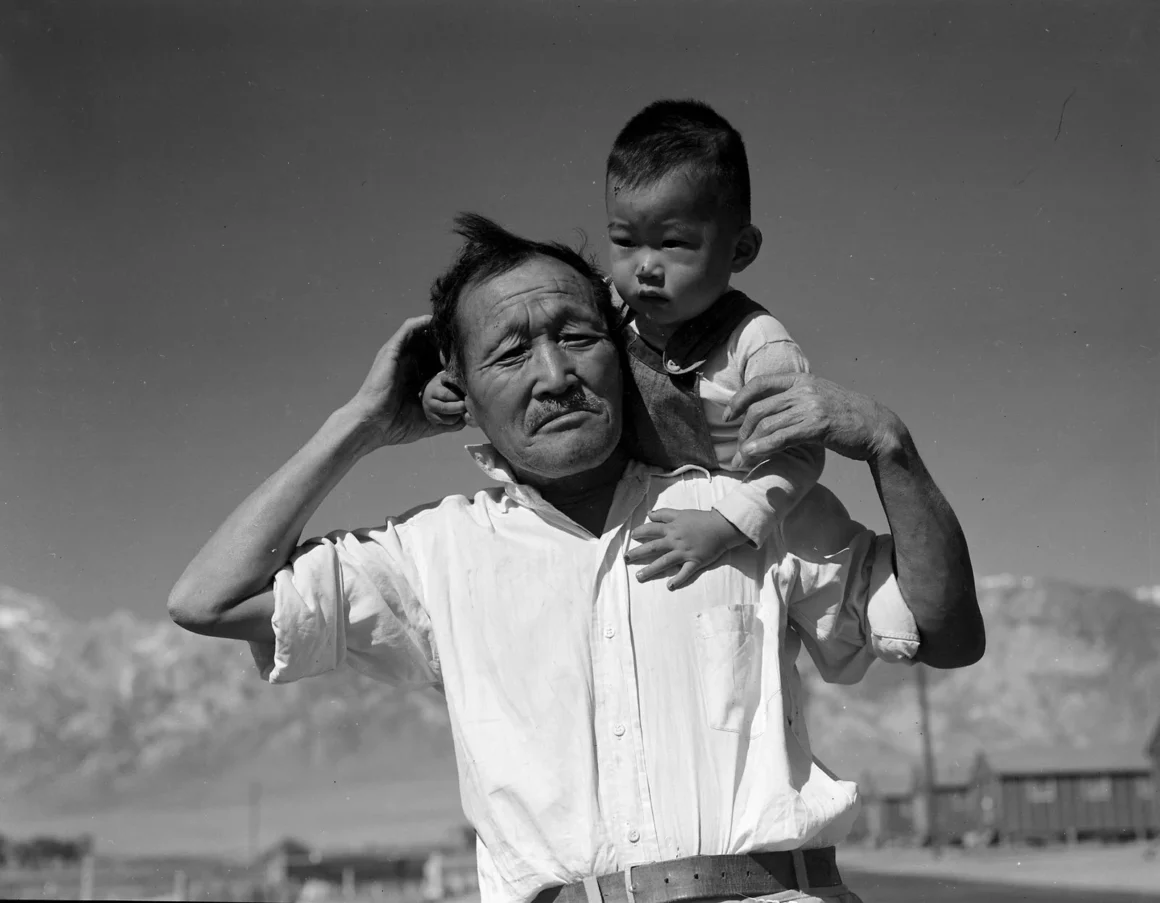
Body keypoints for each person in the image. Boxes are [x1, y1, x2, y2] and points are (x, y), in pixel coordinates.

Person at [168, 215, 984, 903]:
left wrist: (890, 446)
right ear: (460, 390)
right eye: (511, 353)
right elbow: (206, 600)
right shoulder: (434, 555)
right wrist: (364, 421)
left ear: (621, 355)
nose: (554, 375)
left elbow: (945, 633)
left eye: (576, 336)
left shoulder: (743, 506)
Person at [425, 100, 826, 592]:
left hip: (752, 512)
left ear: (741, 250)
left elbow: (800, 456)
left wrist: (726, 525)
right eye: (625, 241)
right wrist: (447, 388)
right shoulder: (608, 308)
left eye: (673, 244)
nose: (645, 267)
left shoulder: (758, 343)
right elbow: (513, 345)